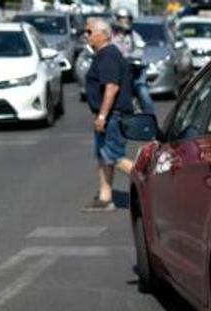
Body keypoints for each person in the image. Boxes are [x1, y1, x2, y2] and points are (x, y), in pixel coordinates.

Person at [82, 18, 134, 213]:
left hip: (113, 115)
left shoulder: (108, 55)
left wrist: (102, 116)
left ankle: (151, 183)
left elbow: (111, 88)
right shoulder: (104, 54)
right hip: (109, 115)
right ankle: (105, 198)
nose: (86, 36)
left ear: (102, 35)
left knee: (114, 155)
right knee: (104, 157)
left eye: (89, 32)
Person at [111, 8, 153, 116]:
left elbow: (140, 50)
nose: (126, 22)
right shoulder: (111, 36)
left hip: (133, 72)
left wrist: (132, 58)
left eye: (128, 19)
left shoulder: (134, 35)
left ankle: (150, 118)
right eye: (123, 19)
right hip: (117, 73)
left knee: (143, 92)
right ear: (116, 20)